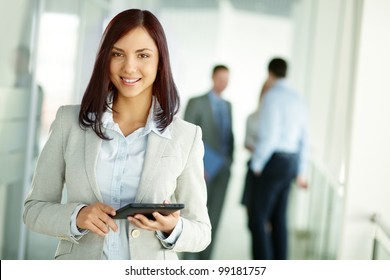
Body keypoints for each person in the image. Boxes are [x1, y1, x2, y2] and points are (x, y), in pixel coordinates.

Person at [23, 9, 211, 260]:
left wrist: (172, 227)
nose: (129, 67)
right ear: (105, 59)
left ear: (160, 62)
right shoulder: (68, 122)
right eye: (118, 54)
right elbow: (34, 210)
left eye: (143, 55)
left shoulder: (185, 136)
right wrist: (76, 216)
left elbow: (201, 231)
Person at [249, 58, 309, 260]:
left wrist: (257, 164)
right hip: (290, 162)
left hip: (273, 162)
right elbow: (304, 139)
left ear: (270, 73)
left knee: (258, 218)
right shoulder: (297, 98)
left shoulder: (272, 96)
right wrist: (301, 171)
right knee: (280, 218)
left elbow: (270, 136)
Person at [183, 65, 234, 260]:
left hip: (223, 169)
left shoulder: (228, 106)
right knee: (195, 215)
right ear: (213, 78)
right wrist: (200, 165)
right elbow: (188, 136)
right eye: (220, 78)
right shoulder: (197, 102)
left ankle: (206, 263)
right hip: (202, 168)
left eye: (227, 79)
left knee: (215, 217)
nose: (223, 83)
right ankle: (189, 262)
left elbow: (228, 137)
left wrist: (230, 161)